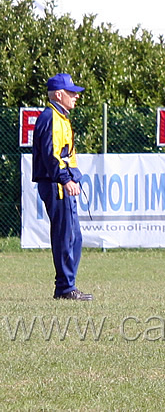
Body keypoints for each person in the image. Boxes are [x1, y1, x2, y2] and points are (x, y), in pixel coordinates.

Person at [32, 73, 93, 301]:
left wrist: (72, 176)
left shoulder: (61, 117)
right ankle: (66, 288)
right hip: (56, 184)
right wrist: (65, 179)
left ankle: (67, 286)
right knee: (65, 236)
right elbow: (51, 155)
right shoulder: (51, 118)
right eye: (71, 92)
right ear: (59, 94)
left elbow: (65, 153)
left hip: (63, 182)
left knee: (73, 236)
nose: (76, 96)